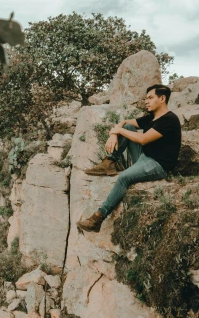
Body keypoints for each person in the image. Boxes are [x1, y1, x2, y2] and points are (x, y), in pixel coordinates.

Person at [76, 84, 182, 233]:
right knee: (128, 129)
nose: (146, 101)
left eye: (150, 98)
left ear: (162, 98)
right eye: (146, 98)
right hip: (144, 157)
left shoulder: (169, 120)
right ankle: (109, 162)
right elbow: (126, 123)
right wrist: (115, 133)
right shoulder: (153, 117)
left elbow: (144, 139)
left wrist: (118, 131)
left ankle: (97, 219)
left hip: (158, 165)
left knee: (123, 178)